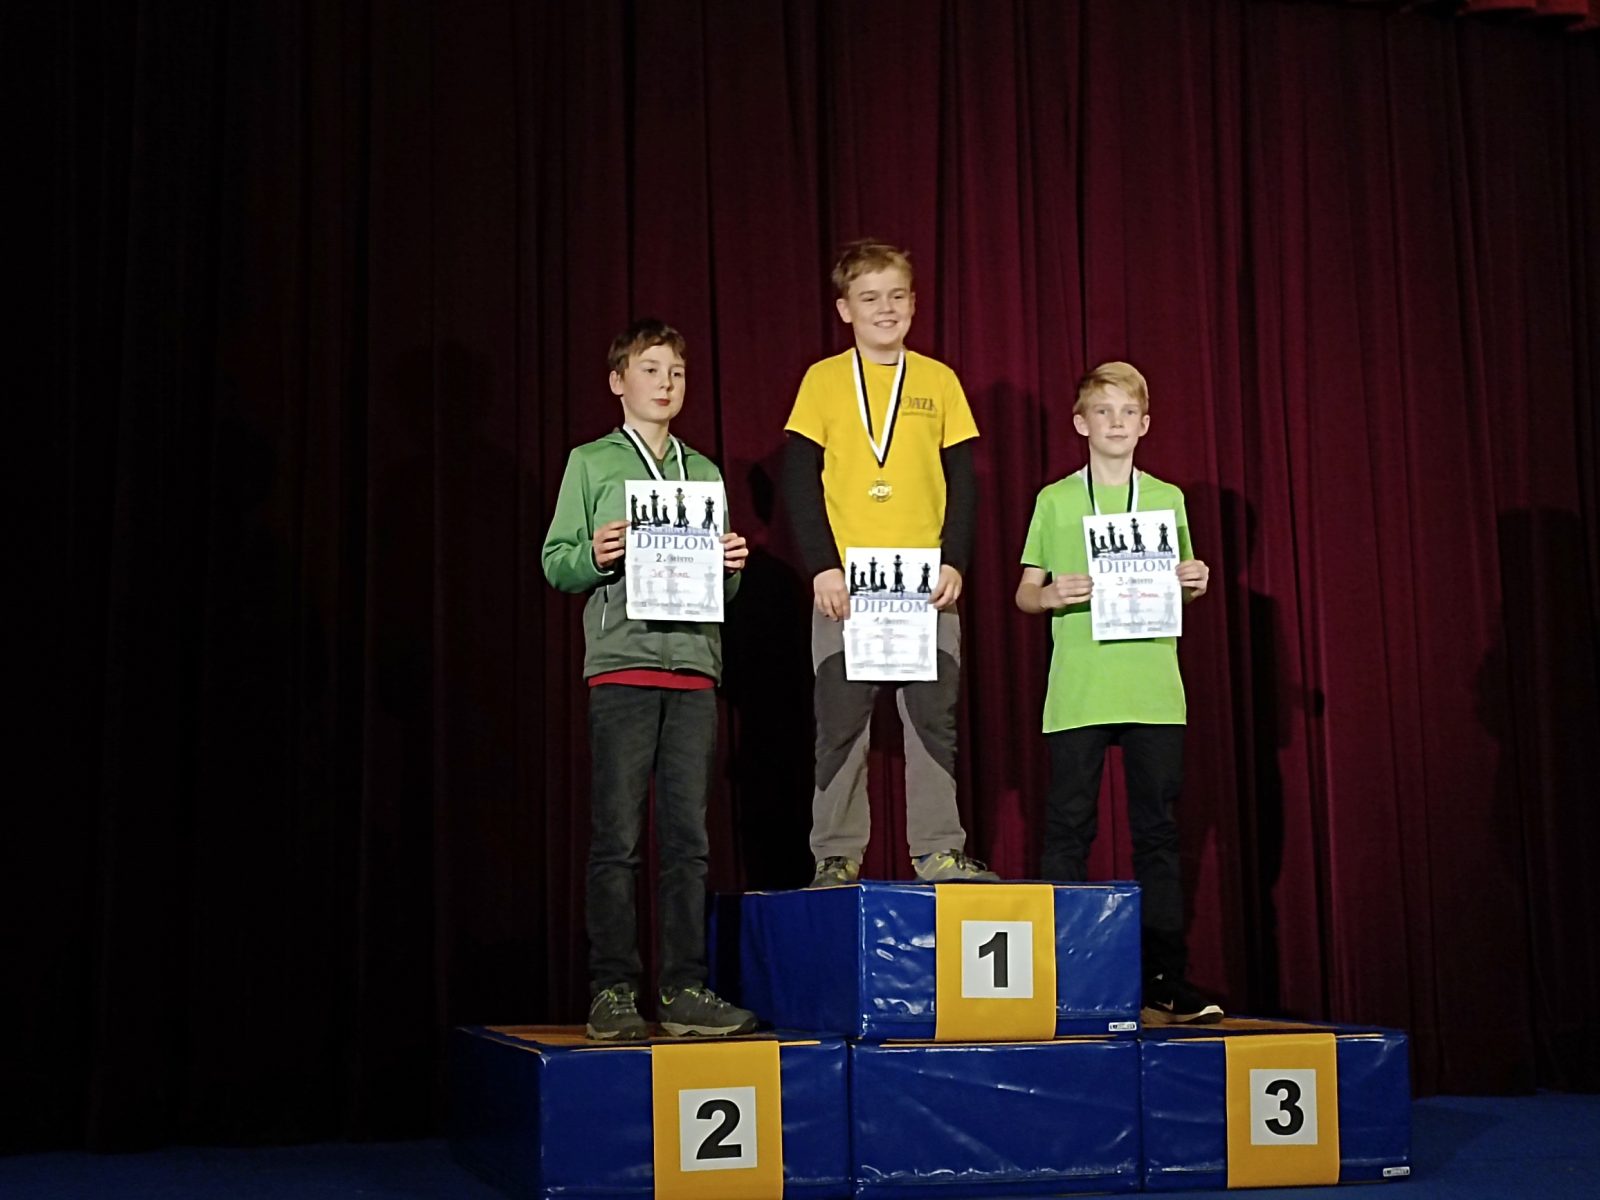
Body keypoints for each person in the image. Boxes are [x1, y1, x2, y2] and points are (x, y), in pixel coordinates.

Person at [541, 318, 758, 1040]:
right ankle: (612, 990)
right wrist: (596, 553)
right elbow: (557, 562)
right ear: (618, 381)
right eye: (651, 369)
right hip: (623, 665)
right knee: (618, 839)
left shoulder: (704, 473)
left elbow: (721, 592)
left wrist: (731, 568)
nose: (666, 383)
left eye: (677, 372)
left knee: (688, 842)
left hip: (694, 669)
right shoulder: (592, 463)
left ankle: (684, 987)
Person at [783, 238, 997, 887]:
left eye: (897, 296)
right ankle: (836, 854)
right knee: (841, 722)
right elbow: (799, 479)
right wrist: (822, 566)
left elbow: (963, 482)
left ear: (913, 303)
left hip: (925, 585)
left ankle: (938, 850)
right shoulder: (823, 380)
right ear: (844, 309)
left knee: (933, 721)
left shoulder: (938, 380)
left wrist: (954, 560)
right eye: (870, 298)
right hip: (847, 586)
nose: (885, 308)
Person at [1015, 361, 1222, 1023]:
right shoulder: (1055, 499)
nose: (1115, 423)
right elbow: (1025, 592)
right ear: (1081, 424)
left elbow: (1187, 581)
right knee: (1068, 830)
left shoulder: (1166, 498)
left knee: (1157, 834)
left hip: (1153, 687)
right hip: (1080, 688)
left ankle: (1164, 977)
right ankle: (1064, 975)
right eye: (1102, 411)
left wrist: (1197, 579)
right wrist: (1050, 595)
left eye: (1127, 412)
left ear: (1145, 425)